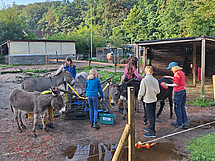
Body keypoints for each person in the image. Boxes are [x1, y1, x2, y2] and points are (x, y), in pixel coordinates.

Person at [163, 62, 188, 129]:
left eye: (171, 68)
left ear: (174, 67)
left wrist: (167, 85)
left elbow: (176, 84)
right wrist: (170, 77)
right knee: (182, 107)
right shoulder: (181, 72)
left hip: (178, 92)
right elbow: (179, 80)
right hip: (183, 91)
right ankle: (185, 122)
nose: (171, 70)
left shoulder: (176, 74)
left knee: (177, 108)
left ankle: (179, 123)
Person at [138, 66, 160, 138]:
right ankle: (150, 128)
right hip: (154, 99)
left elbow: (142, 91)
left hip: (147, 100)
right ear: (152, 72)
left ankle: (152, 132)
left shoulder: (144, 80)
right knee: (152, 115)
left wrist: (139, 97)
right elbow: (158, 91)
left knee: (150, 116)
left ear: (145, 72)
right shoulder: (155, 80)